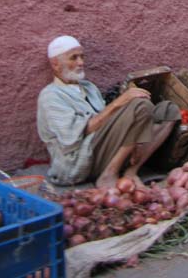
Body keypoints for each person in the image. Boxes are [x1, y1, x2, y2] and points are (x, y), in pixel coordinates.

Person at [37, 35, 178, 188]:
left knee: (168, 110)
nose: (81, 63)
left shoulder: (88, 88)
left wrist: (137, 135)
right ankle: (108, 174)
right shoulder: (50, 96)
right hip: (78, 161)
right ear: (56, 64)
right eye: (74, 58)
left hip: (105, 150)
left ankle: (131, 172)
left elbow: (110, 124)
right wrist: (119, 103)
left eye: (82, 57)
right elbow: (73, 138)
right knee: (141, 106)